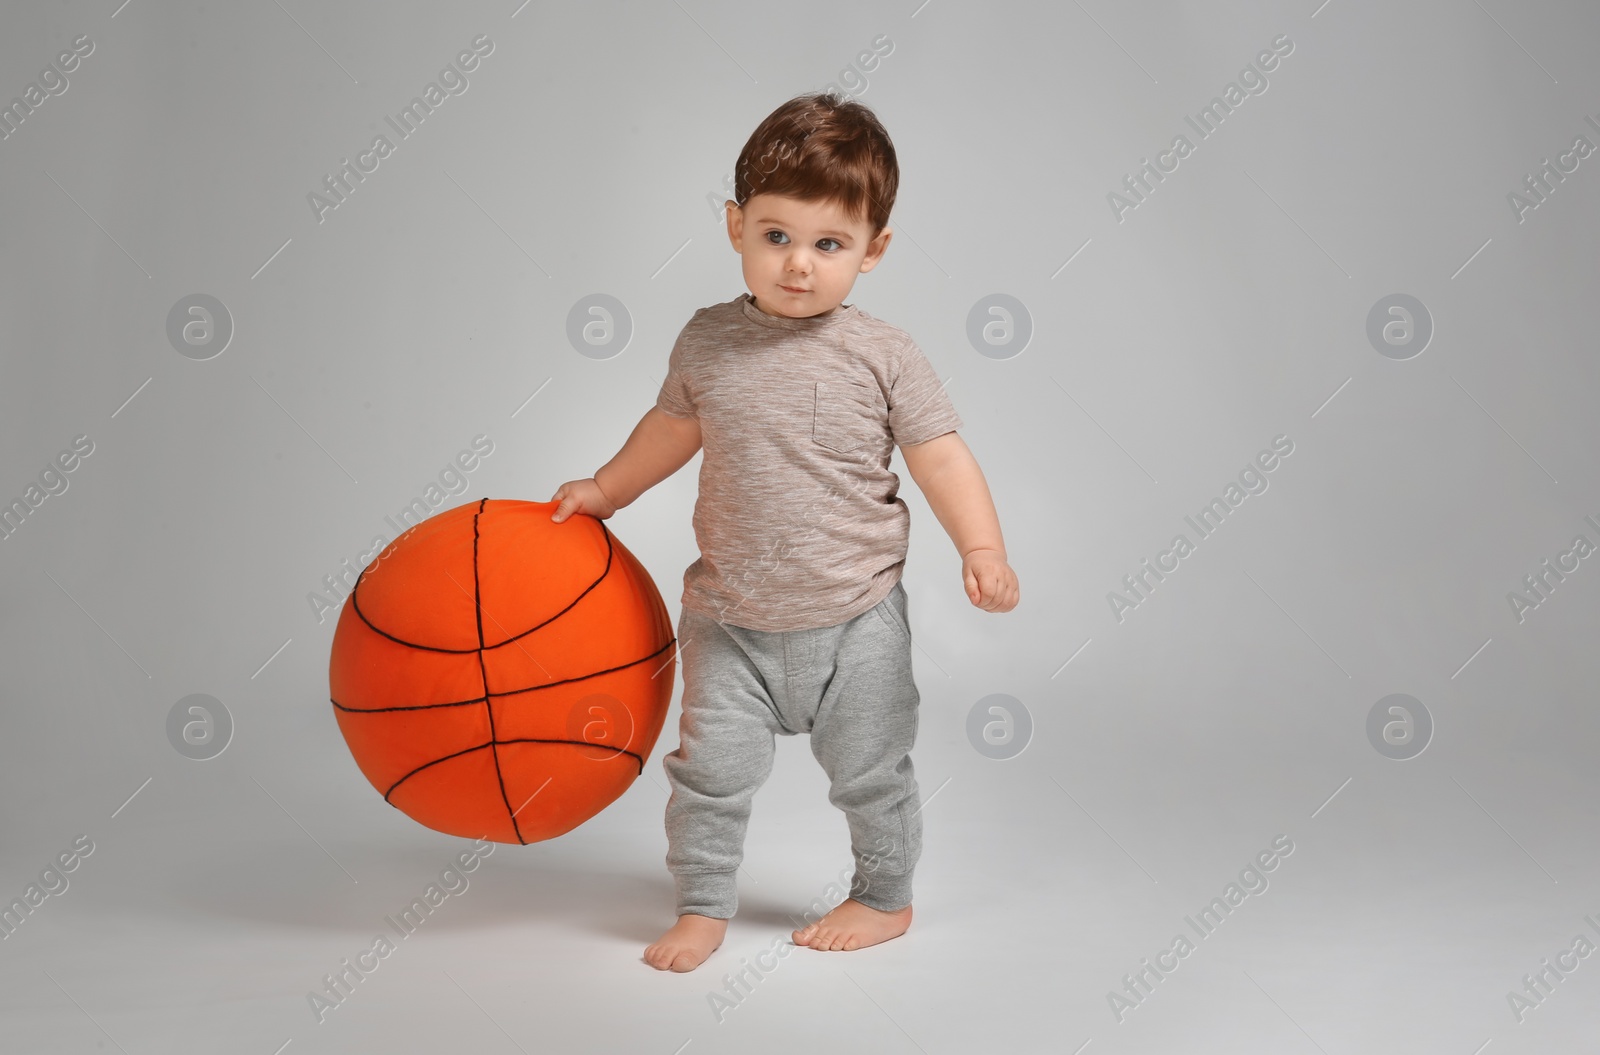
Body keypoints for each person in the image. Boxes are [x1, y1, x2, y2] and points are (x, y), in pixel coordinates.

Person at [548, 90, 1018, 973]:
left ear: (874, 250)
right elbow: (670, 429)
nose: (798, 263)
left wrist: (981, 548)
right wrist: (607, 487)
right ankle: (701, 905)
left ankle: (884, 897)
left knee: (873, 772)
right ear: (735, 227)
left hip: (856, 619)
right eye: (776, 235)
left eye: (828, 244)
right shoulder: (707, 341)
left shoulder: (884, 353)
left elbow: (942, 458)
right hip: (731, 621)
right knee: (709, 775)